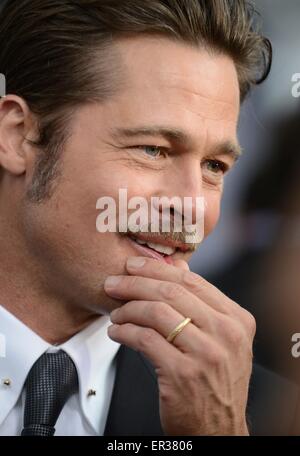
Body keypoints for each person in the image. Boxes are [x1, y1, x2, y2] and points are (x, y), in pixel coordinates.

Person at [0, 0, 296, 436]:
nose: (192, 206)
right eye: (153, 149)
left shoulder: (268, 415)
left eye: (214, 166)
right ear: (17, 137)